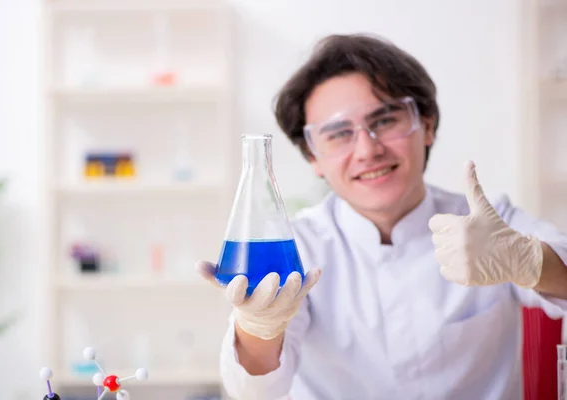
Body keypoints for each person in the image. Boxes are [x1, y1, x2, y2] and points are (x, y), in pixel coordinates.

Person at [196, 33, 567, 400]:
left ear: (428, 125)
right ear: (313, 158)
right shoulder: (299, 245)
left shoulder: (487, 222)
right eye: (339, 134)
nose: (367, 149)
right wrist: (260, 325)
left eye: (385, 120)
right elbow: (255, 389)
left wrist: (529, 261)